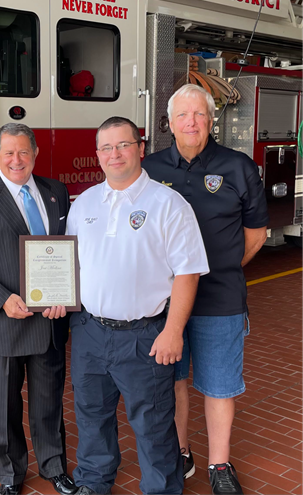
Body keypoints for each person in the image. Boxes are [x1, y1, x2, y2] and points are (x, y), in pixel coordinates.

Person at [67, 116, 209, 495]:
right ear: (97, 155)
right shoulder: (84, 204)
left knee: (153, 423)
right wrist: (55, 298)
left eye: (123, 145)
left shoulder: (168, 204)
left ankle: (162, 489)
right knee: (92, 416)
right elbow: (69, 265)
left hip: (145, 336)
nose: (115, 154)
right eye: (106, 147)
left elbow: (188, 272)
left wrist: (173, 331)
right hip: (89, 332)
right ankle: (93, 482)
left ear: (140, 148)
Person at [143, 84, 268, 495]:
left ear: (211, 119)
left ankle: (219, 464)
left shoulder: (238, 168)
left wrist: (219, 269)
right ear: (170, 122)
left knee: (220, 385)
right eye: (183, 115)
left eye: (199, 114)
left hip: (221, 300)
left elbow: (255, 235)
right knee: (174, 381)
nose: (191, 122)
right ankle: (182, 452)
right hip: (164, 303)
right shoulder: (151, 168)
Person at [0, 123, 76, 495]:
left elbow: (67, 251)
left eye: (23, 152)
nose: (16, 160)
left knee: (49, 400)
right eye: (8, 153)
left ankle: (53, 466)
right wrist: (2, 298)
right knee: (5, 408)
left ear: (34, 153)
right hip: (5, 322)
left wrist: (64, 294)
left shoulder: (56, 192)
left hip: (51, 321)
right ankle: (10, 475)